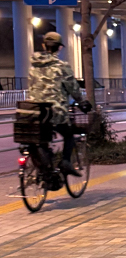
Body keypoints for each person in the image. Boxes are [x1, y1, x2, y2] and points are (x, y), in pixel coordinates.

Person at [27, 30, 83, 176]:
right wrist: (82, 102)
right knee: (69, 135)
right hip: (55, 112)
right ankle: (66, 163)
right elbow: (73, 88)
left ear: (43, 45)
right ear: (59, 47)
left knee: (42, 137)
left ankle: (44, 171)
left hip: (34, 112)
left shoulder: (33, 66)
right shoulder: (61, 66)